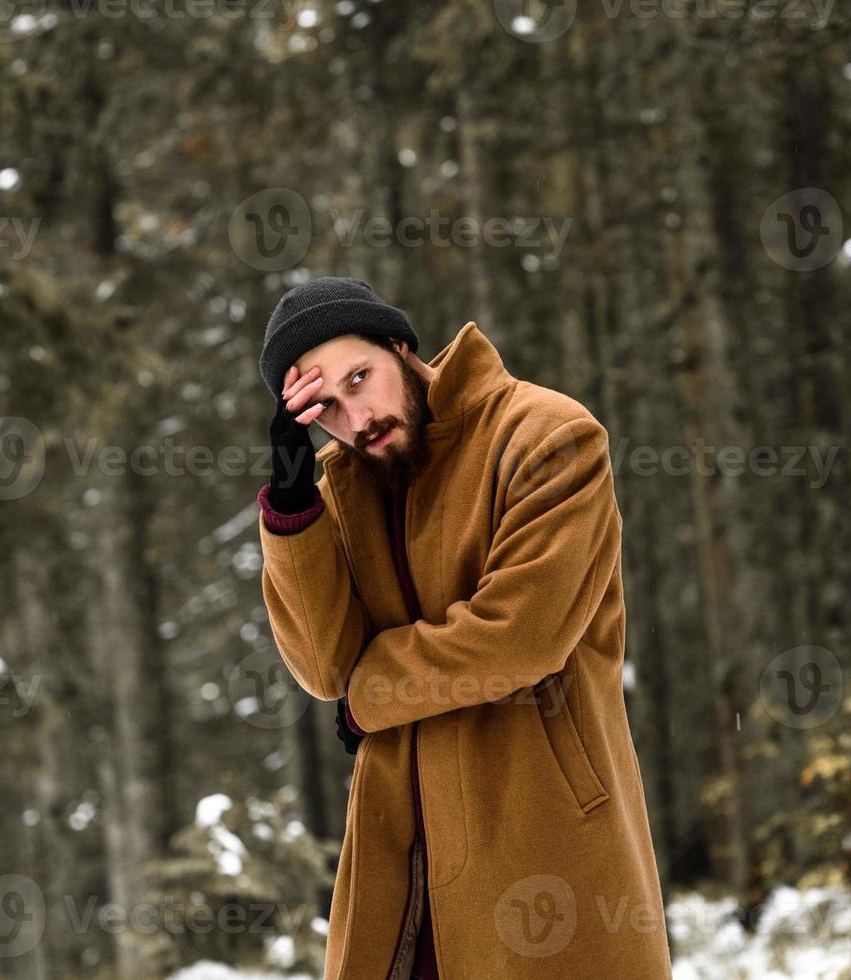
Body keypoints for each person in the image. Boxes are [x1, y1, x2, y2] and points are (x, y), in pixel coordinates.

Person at [256, 276, 674, 979]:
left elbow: (520, 635)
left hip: (537, 833)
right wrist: (295, 503)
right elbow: (325, 669)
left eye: (361, 378)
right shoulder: (344, 489)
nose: (357, 417)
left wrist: (373, 694)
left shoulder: (548, 436)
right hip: (400, 860)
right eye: (325, 405)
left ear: (401, 347)